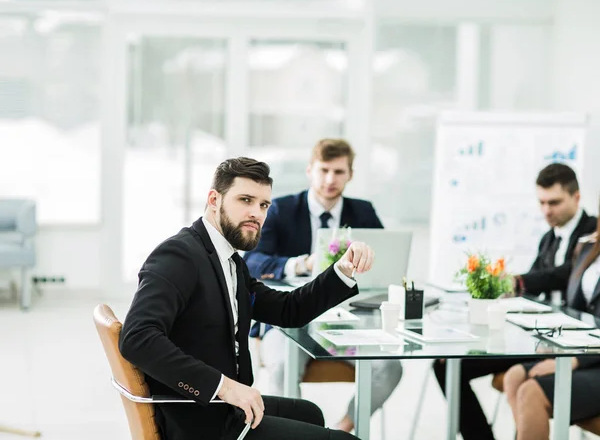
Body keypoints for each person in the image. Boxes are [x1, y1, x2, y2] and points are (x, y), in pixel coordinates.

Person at [119, 157, 375, 440]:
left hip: (228, 408)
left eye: (264, 205)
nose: (257, 213)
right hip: (202, 418)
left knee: (310, 413)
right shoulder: (178, 256)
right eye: (245, 200)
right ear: (214, 199)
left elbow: (288, 310)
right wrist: (225, 387)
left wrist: (342, 270)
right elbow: (137, 338)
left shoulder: (229, 259)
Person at [244, 138, 402, 432]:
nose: (330, 179)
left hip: (350, 322)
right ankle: (293, 435)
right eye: (324, 170)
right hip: (288, 320)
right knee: (279, 363)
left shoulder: (364, 212)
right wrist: (301, 263)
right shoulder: (279, 209)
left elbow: (384, 263)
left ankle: (340, 431)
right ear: (310, 170)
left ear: (350, 175)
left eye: (339, 172)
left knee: (389, 367)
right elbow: (252, 262)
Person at [433, 163, 597, 440]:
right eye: (542, 202)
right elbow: (535, 279)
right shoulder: (549, 238)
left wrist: (519, 282)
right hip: (541, 333)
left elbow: (563, 275)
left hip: (568, 340)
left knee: (517, 380)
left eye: (554, 202)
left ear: (576, 197)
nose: (547, 210)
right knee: (446, 363)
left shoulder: (592, 234)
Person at [503, 202, 600, 440]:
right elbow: (576, 308)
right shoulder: (589, 248)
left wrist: (575, 360)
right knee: (514, 376)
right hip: (587, 351)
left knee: (532, 392)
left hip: (592, 359)